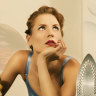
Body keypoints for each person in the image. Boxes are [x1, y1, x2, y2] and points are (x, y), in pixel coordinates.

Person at [0, 6, 80, 96]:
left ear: (61, 36)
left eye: (55, 28)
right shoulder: (20, 59)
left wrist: (42, 61)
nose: (51, 33)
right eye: (42, 28)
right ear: (29, 39)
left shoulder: (72, 67)